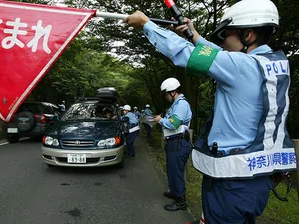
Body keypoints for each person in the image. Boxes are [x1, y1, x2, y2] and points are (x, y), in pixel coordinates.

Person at [124, 0, 296, 222]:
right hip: (257, 179)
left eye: (225, 35)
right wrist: (194, 35)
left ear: (249, 35)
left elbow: (187, 53)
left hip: (231, 183)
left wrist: (147, 25)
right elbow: (222, 57)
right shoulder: (273, 65)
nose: (222, 42)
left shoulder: (241, 66)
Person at [154, 77, 192, 212]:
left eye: (166, 94)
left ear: (173, 92)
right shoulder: (175, 104)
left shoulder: (181, 104)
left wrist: (160, 120)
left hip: (179, 142)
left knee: (176, 172)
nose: (165, 97)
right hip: (174, 142)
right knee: (172, 170)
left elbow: (174, 123)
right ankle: (175, 192)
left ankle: (181, 201)